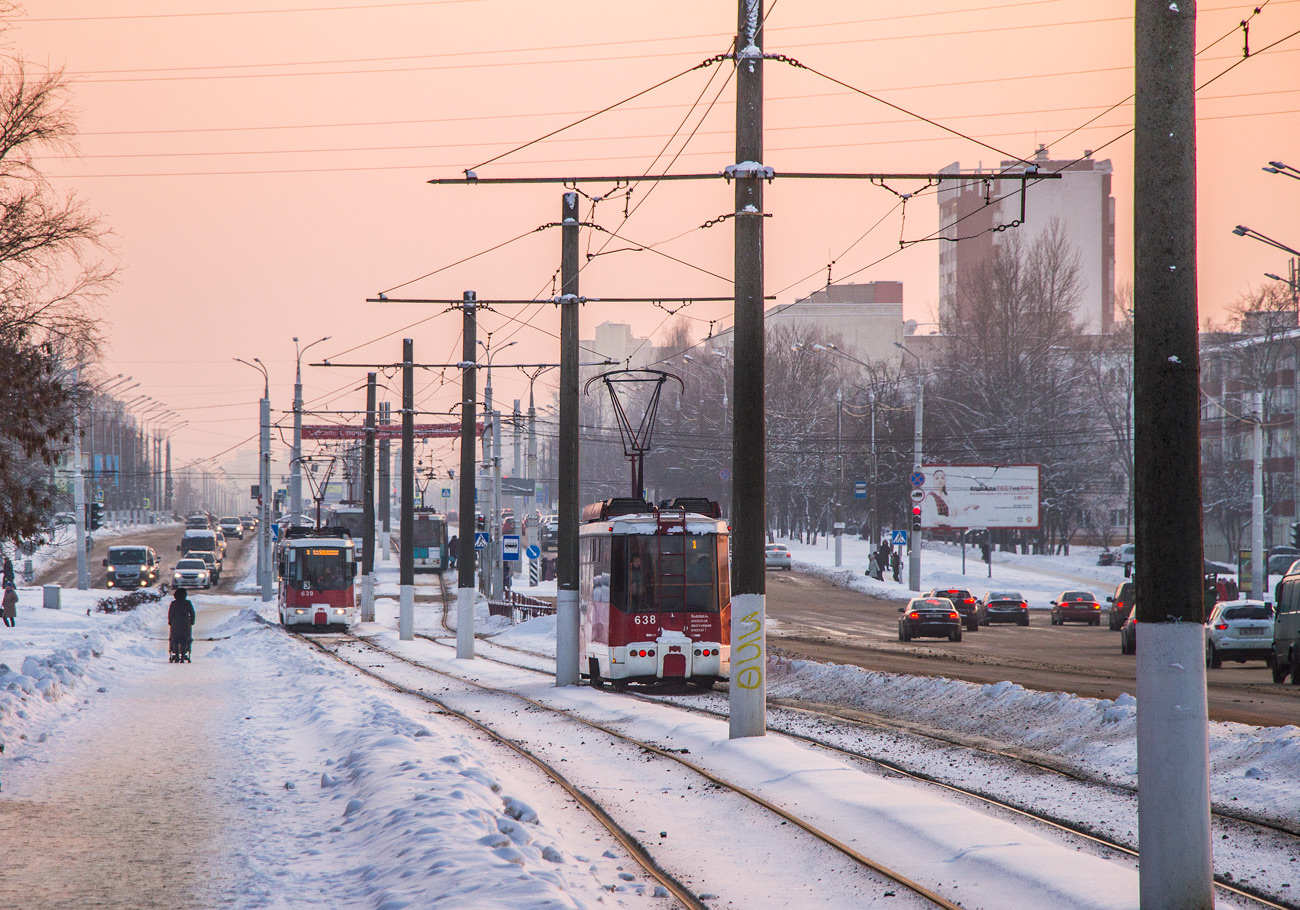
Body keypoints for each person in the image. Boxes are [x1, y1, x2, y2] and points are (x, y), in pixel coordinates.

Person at [168, 587, 196, 663]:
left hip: (175, 623)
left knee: (175, 639)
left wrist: (170, 622)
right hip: (186, 623)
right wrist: (192, 621)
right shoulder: (188, 603)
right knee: (185, 639)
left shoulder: (174, 603)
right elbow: (192, 613)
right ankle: (183, 655)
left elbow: (171, 613)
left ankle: (176, 655)